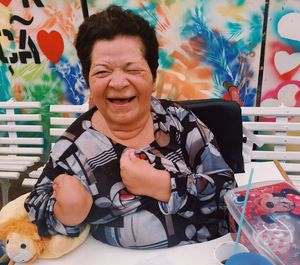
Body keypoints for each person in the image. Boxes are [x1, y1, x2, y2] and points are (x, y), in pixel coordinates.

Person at [24, 5, 236, 249]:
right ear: (89, 81)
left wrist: (163, 185)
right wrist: (68, 211)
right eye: (102, 72)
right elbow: (34, 210)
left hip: (205, 263)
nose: (118, 82)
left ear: (153, 79)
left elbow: (227, 192)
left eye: (133, 70)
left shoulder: (179, 121)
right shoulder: (74, 148)